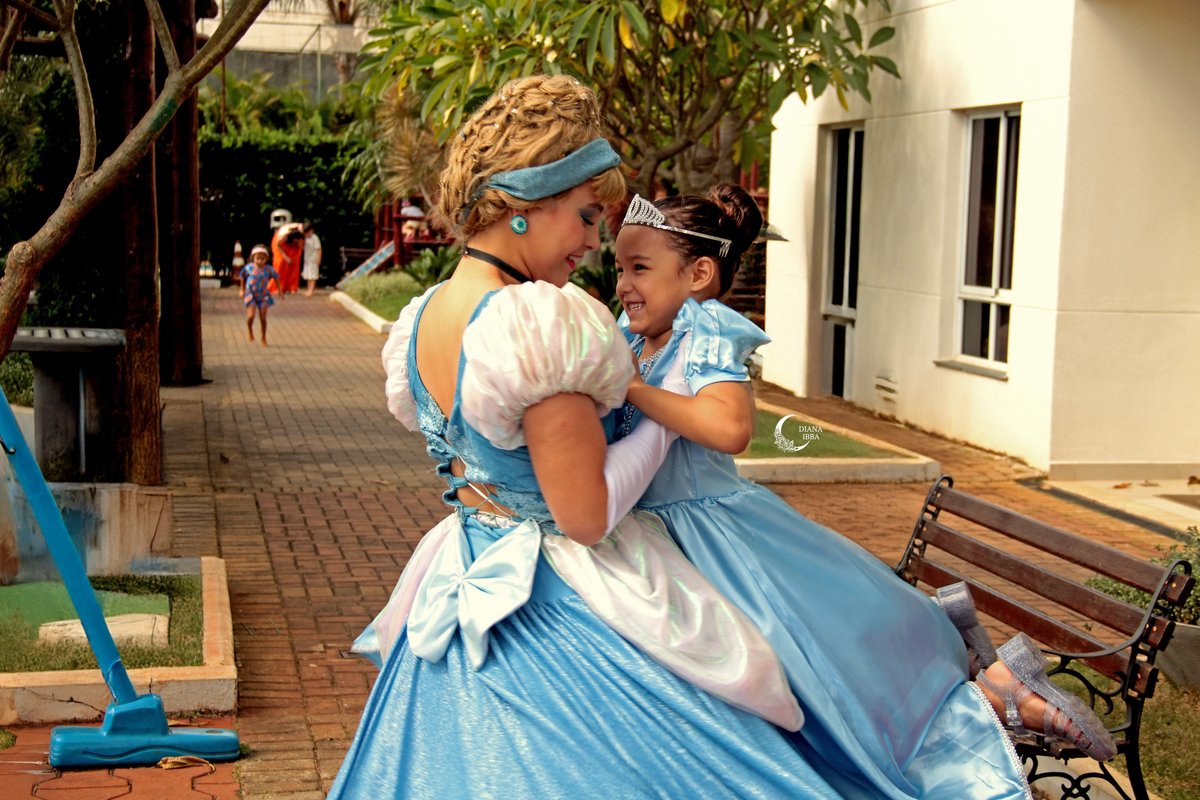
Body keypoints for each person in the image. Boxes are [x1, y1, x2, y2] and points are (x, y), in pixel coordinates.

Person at [328, 75, 849, 800]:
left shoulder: (425, 316)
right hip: (556, 611)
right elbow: (585, 514)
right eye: (585, 215)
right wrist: (666, 430)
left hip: (464, 575)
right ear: (524, 208)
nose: (595, 240)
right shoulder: (535, 323)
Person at [612, 184, 1116, 800]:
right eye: (618, 268)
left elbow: (730, 428)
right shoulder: (635, 337)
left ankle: (997, 696)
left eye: (639, 268)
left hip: (709, 534)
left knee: (799, 668)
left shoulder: (704, 330)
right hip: (650, 539)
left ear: (698, 274)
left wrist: (631, 387)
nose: (623, 284)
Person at [240, 244, 280, 346]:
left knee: (263, 318)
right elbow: (243, 277)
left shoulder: (268, 269)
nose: (260, 261)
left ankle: (263, 337)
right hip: (251, 294)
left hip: (263, 295)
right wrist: (242, 290)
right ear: (253, 258)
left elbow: (276, 277)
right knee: (251, 316)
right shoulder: (249, 268)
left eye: (262, 259)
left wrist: (279, 290)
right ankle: (250, 331)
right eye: (257, 258)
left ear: (266, 259)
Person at [271, 221, 304, 295]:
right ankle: (278, 287)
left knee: (295, 263)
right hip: (280, 245)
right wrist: (286, 257)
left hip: (294, 241)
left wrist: (299, 244)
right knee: (281, 263)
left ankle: (292, 287)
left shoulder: (302, 231)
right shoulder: (283, 235)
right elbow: (278, 245)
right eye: (297, 240)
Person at [301, 222, 322, 297]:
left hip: (313, 260)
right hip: (307, 260)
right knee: (308, 275)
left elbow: (319, 249)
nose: (307, 235)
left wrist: (319, 258)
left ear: (311, 230)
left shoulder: (315, 238)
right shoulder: (306, 238)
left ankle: (311, 291)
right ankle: (308, 290)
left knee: (312, 276)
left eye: (308, 233)